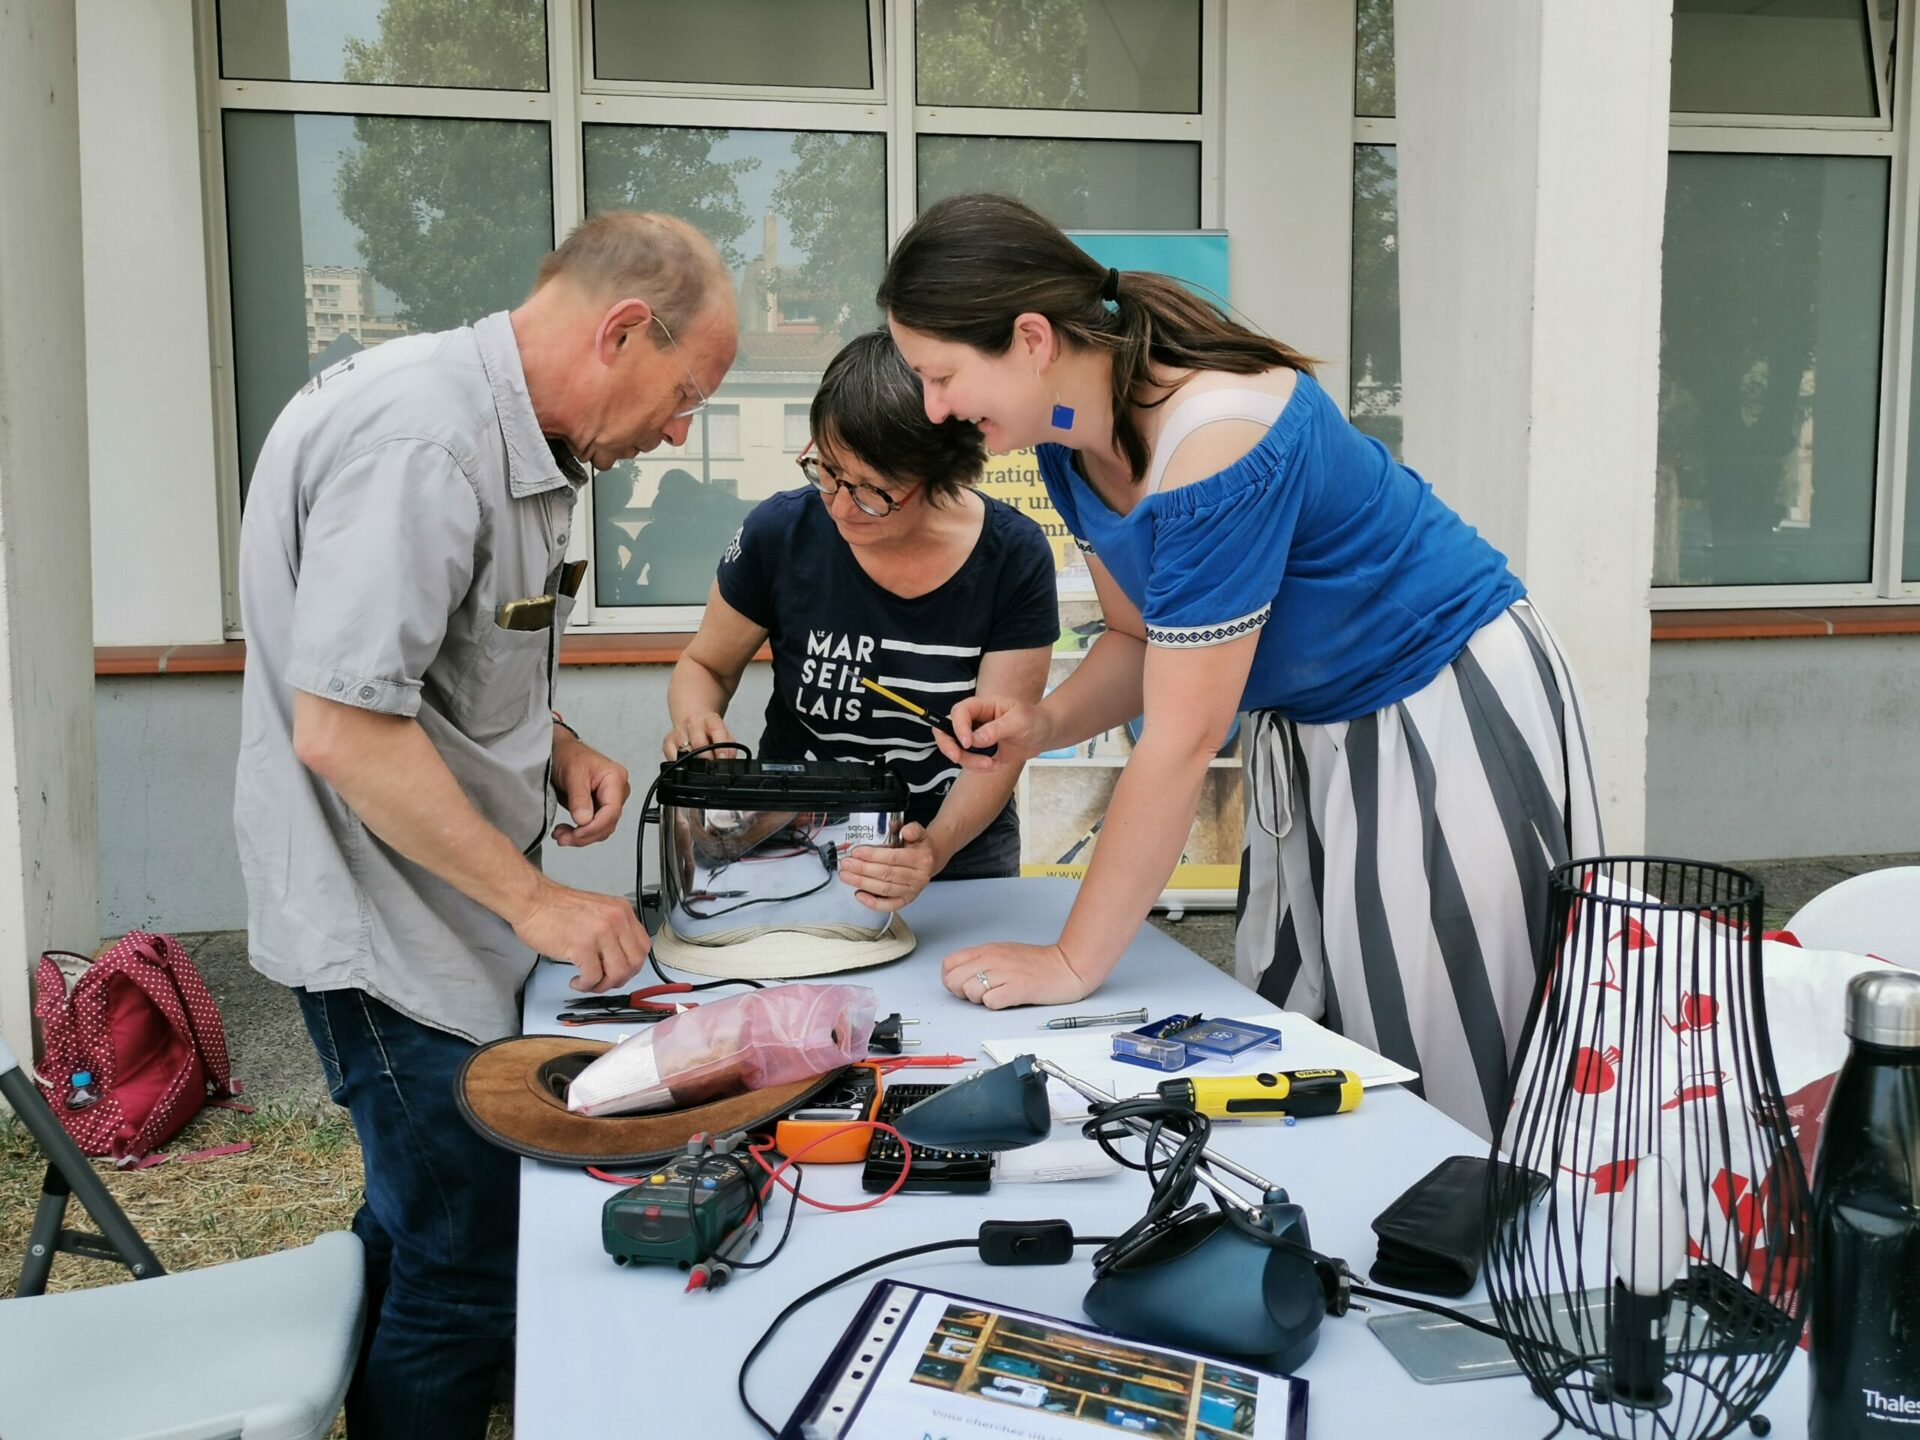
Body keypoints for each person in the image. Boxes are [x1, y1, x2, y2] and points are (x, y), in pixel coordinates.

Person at [879, 193, 1602, 1139]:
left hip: (1439, 701)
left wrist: (1070, 964)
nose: (934, 408)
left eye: (940, 376)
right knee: (1299, 1026)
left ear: (1030, 338)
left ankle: (1484, 1270)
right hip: (1312, 723)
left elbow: (1179, 743)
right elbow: (1141, 641)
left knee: (1436, 1044)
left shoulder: (1217, 435)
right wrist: (1046, 724)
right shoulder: (1070, 443)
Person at [234, 211, 736, 1439]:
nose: (679, 432)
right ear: (623, 329)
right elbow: (343, 729)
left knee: (419, 1220)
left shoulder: (525, 441)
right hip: (388, 931)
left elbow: (438, 658)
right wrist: (539, 903)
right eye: (685, 395)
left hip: (448, 918)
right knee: (468, 1259)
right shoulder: (426, 444)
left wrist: (554, 746)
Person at [665, 328, 1058, 908]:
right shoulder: (781, 534)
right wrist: (697, 719)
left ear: (943, 476)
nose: (843, 507)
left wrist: (935, 849)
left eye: (875, 492)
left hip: (954, 843)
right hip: (794, 835)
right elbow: (706, 664)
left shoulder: (1012, 558)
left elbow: (997, 751)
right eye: (827, 472)